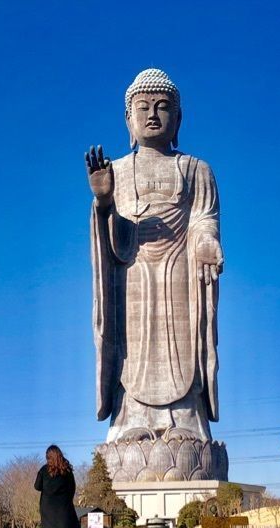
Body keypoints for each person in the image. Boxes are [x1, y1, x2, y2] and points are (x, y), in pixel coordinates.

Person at [86, 68, 224, 444]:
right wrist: (102, 203)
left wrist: (207, 242)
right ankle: (131, 419)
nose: (152, 115)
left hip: (181, 271)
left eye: (162, 107)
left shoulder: (197, 169)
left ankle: (186, 422)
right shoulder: (116, 169)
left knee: (183, 343)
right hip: (133, 274)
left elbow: (203, 219)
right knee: (132, 349)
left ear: (177, 118)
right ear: (128, 118)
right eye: (143, 107)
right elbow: (114, 239)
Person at [34, 445, 83, 528]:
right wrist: (68, 499)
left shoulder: (44, 470)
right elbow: (72, 487)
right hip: (63, 505)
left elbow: (37, 486)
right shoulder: (66, 470)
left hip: (47, 505)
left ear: (48, 457)